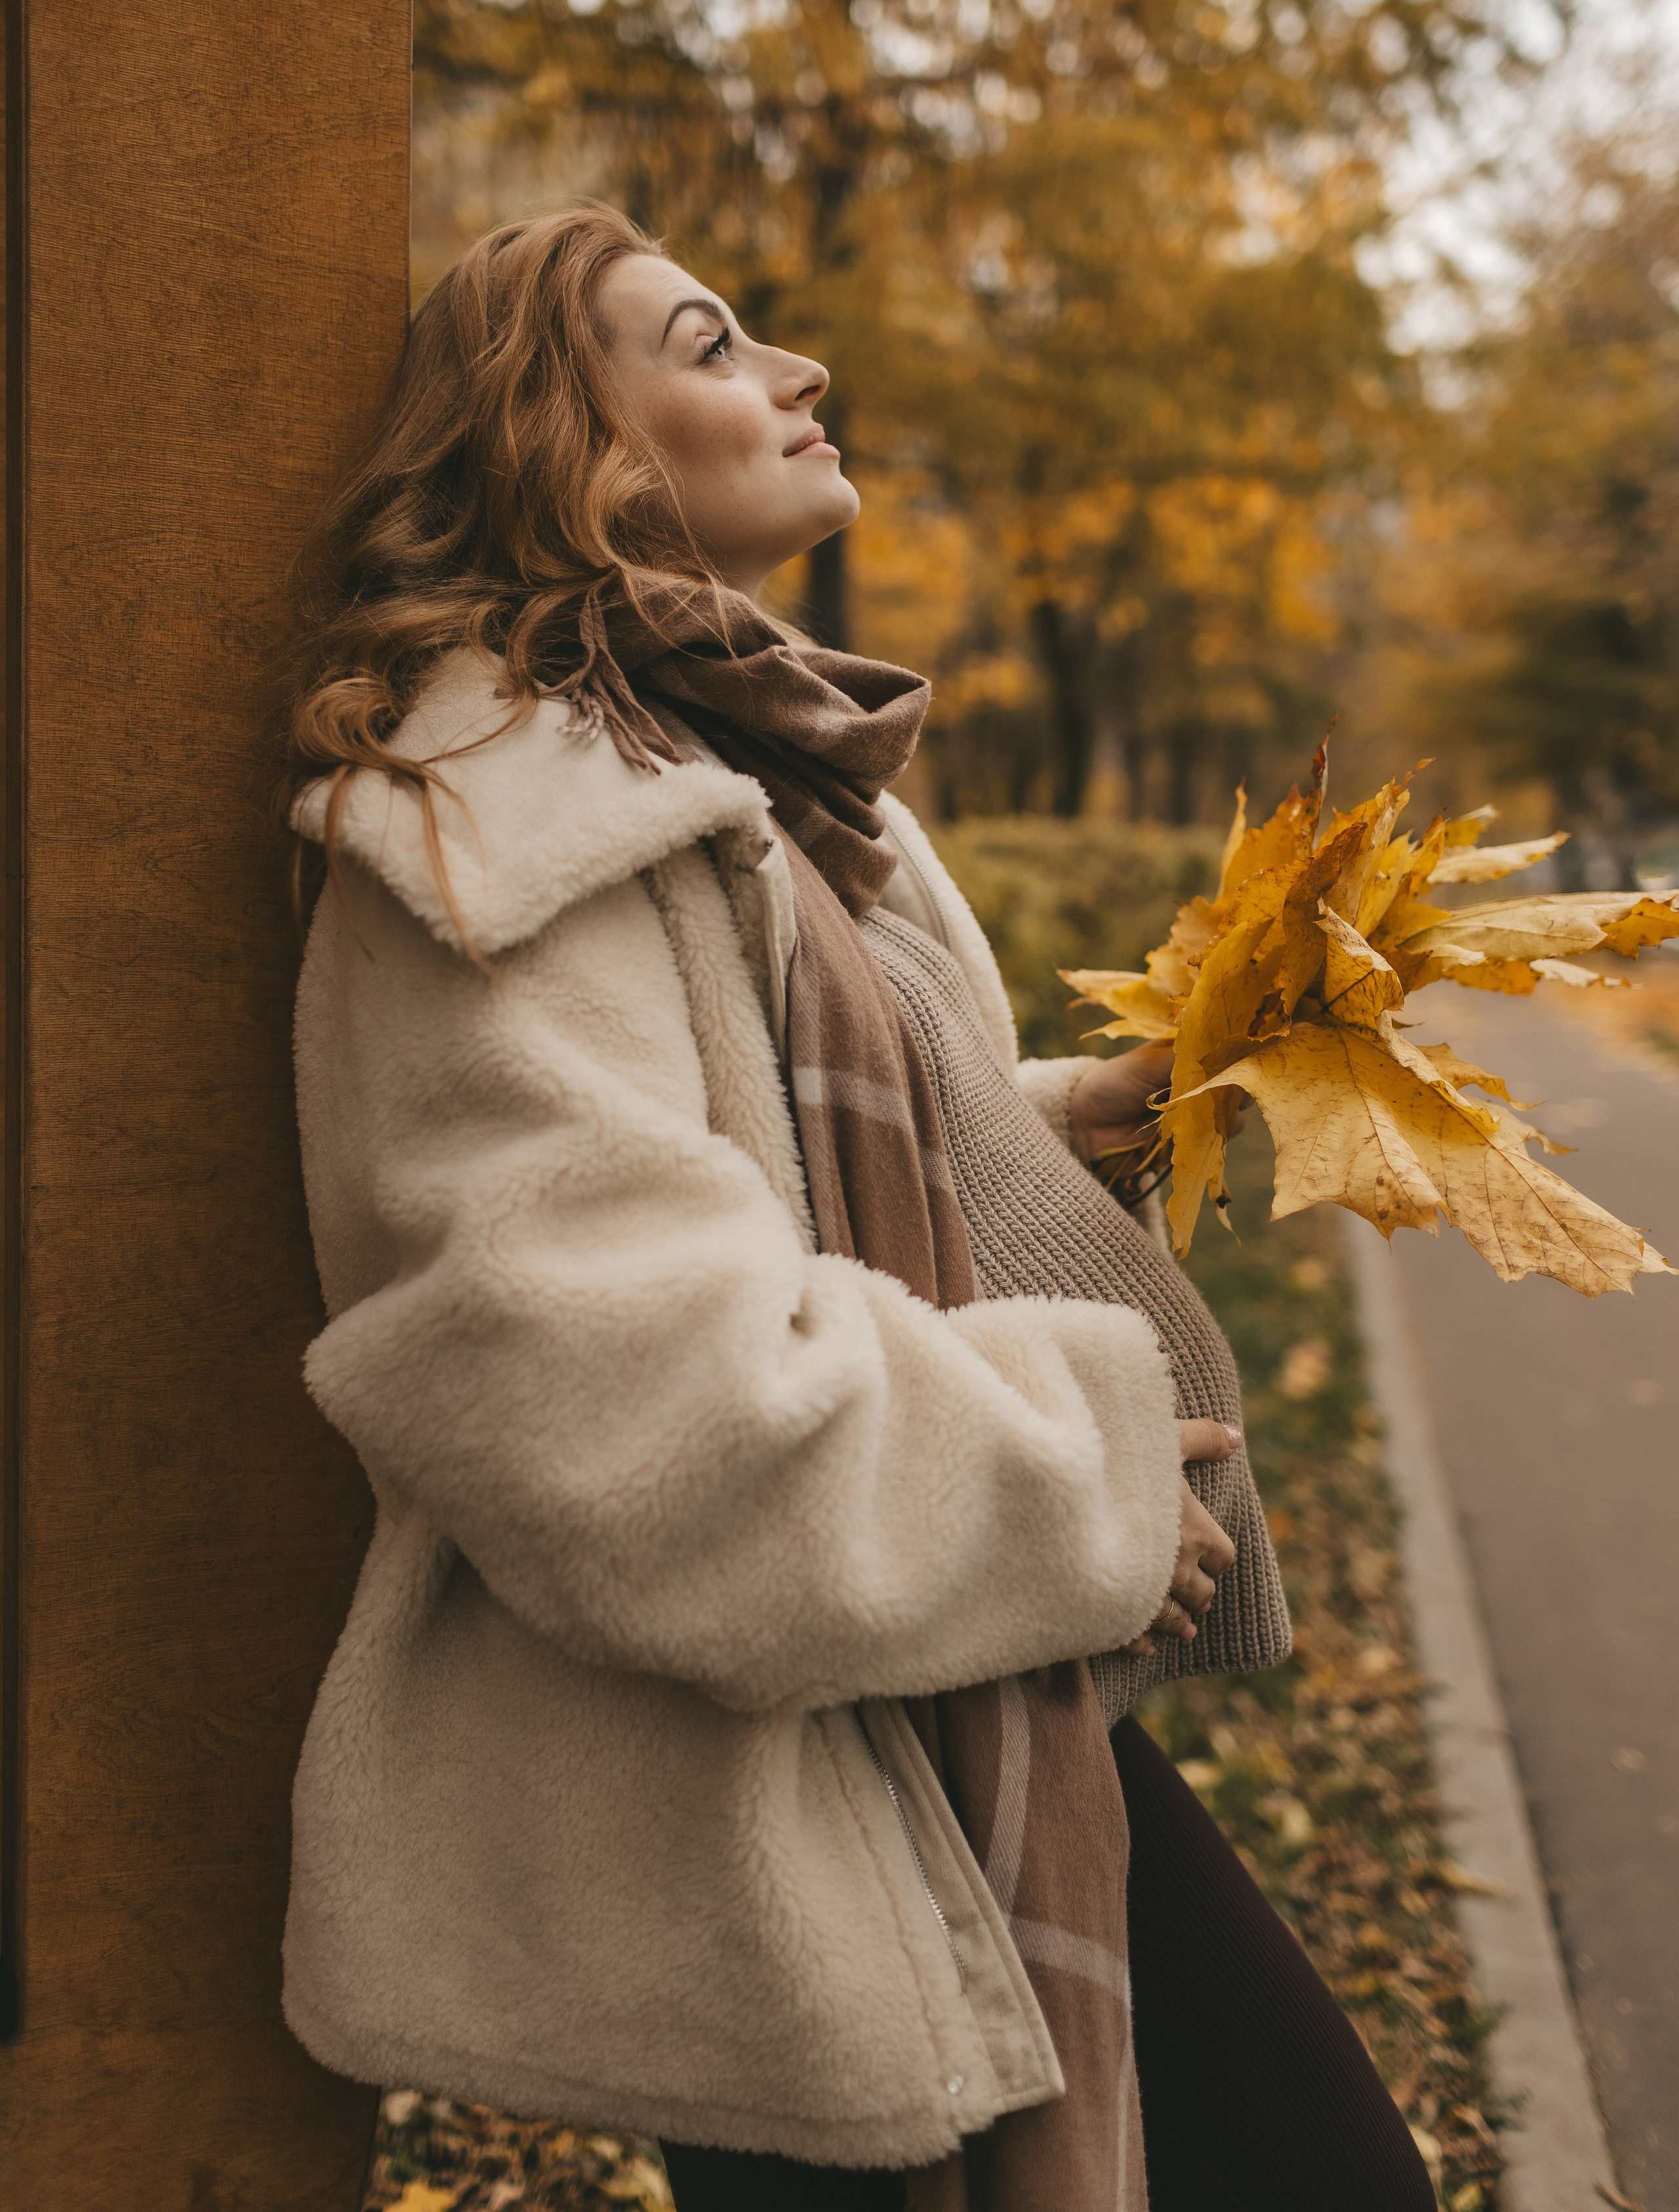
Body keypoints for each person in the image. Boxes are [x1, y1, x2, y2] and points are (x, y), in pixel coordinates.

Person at [281, 205, 1434, 2211]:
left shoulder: (771, 779)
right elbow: (591, 1382)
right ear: (597, 456)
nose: (801, 375)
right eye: (717, 344)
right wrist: (1077, 1495)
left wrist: (1061, 1116)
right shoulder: (496, 831)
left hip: (931, 1694)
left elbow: (800, 1146)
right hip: (764, 1772)